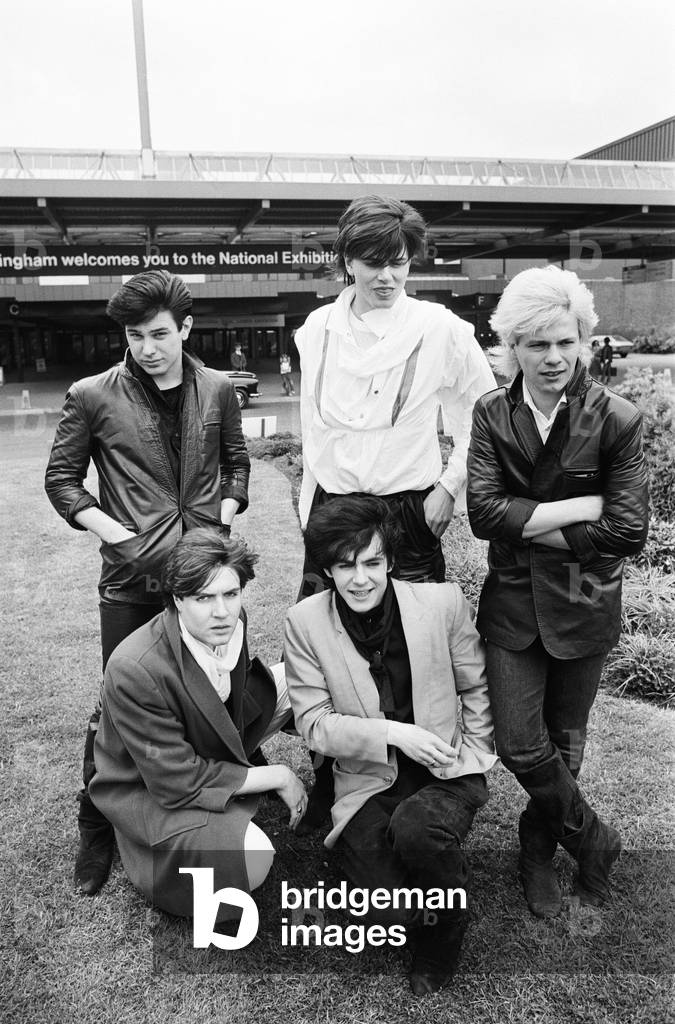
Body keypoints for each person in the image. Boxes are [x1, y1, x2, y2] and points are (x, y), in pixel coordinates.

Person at [45, 270, 251, 897]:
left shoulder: (218, 388)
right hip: (131, 581)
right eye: (135, 336)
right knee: (117, 704)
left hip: (203, 574)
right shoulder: (91, 394)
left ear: (186, 328)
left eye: (160, 334)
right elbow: (62, 480)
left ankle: (196, 802)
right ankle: (97, 825)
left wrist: (226, 512)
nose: (147, 347)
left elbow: (237, 463)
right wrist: (118, 534)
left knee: (210, 695)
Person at [466, 265, 648, 919]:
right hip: (513, 607)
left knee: (565, 742)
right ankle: (593, 839)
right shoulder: (490, 414)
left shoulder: (615, 420)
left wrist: (528, 521)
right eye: (535, 343)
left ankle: (537, 852)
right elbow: (482, 515)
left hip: (583, 602)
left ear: (583, 342)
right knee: (517, 742)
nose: (551, 357)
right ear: (511, 345)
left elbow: (625, 530)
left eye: (563, 342)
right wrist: (578, 511)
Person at [284, 495, 496, 995]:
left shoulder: (442, 603)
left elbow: (476, 686)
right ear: (328, 568)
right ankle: (402, 875)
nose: (360, 579)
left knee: (417, 829)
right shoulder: (304, 622)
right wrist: (393, 734)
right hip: (366, 781)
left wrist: (472, 754)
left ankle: (446, 933)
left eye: (372, 563)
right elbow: (313, 723)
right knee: (390, 909)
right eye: (345, 565)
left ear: (390, 562)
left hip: (444, 772)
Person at [89, 529, 306, 920]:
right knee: (253, 861)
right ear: (177, 599)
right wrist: (278, 775)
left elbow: (228, 698)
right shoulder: (134, 668)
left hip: (213, 739)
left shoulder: (232, 621)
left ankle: (339, 797)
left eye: (230, 593)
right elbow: (177, 781)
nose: (221, 611)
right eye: (203, 597)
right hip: (154, 788)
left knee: (306, 678)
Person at [294, 194, 496, 597]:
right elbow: (312, 427)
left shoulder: (439, 328)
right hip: (334, 510)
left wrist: (448, 489)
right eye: (373, 263)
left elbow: (486, 415)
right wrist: (310, 507)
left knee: (414, 642)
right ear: (348, 261)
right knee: (325, 641)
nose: (386, 276)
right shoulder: (318, 329)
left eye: (398, 263)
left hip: (409, 512)